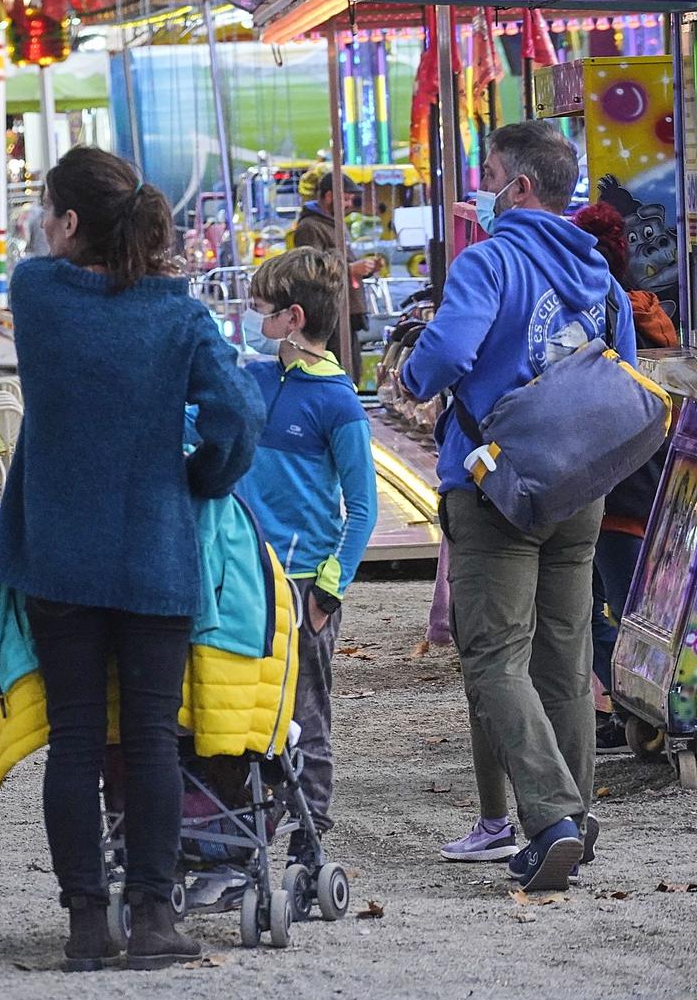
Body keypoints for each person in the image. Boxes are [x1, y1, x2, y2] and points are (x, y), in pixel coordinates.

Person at [0, 146, 261, 969]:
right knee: (149, 739)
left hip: (57, 551)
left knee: (75, 739)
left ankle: (83, 925)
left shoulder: (35, 294)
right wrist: (197, 479)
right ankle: (152, 918)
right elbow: (237, 422)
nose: (40, 224)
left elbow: (54, 271)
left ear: (70, 224)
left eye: (46, 210)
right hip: (153, 548)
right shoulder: (178, 314)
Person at [400, 120, 635, 892]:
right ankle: (577, 813)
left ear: (520, 187)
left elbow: (442, 358)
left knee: (495, 657)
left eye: (491, 171)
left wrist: (407, 373)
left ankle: (551, 818)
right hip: (580, 489)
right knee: (564, 657)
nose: (485, 185)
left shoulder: (488, 261)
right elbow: (624, 379)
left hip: (494, 487)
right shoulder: (598, 271)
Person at [234, 247, 377, 855]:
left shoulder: (338, 402)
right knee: (243, 706)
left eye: (261, 311)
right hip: (243, 574)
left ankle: (311, 828)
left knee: (306, 712)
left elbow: (363, 508)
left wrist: (328, 590)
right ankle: (251, 818)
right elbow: (193, 425)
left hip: (300, 584)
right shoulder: (253, 379)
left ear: (292, 319)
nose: (250, 320)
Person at [569, 201, 677, 748]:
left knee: (597, 607)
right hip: (659, 476)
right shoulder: (656, 318)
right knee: (643, 604)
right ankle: (642, 707)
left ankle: (626, 708)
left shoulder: (591, 316)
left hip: (607, 483)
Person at [289, 169, 384, 374]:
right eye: (346, 199)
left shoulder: (333, 224)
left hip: (345, 310)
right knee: (342, 370)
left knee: (352, 369)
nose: (349, 205)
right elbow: (311, 269)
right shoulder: (310, 227)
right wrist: (351, 269)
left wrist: (364, 269)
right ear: (329, 195)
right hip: (330, 312)